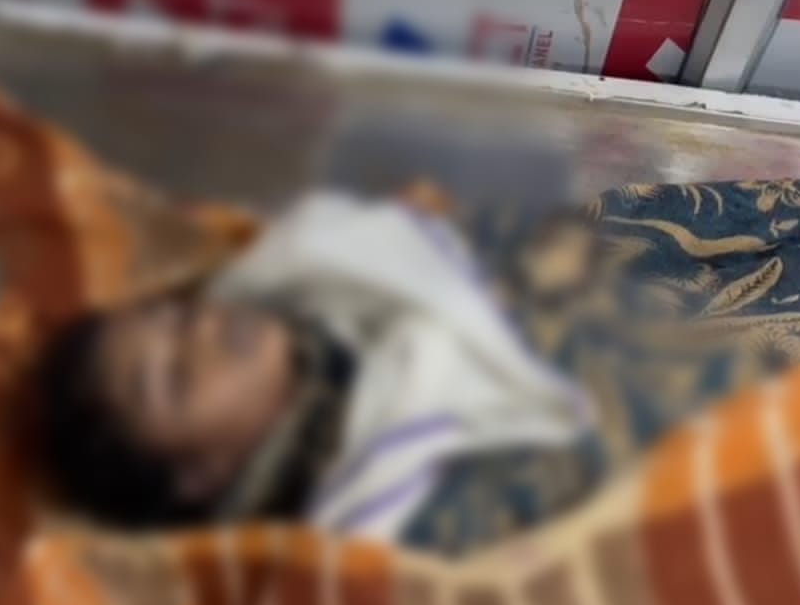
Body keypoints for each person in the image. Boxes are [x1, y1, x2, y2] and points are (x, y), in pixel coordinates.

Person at [36, 189, 591, 544]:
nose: (203, 330)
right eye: (176, 379)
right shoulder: (365, 550)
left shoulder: (344, 265)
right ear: (200, 476)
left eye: (179, 316)